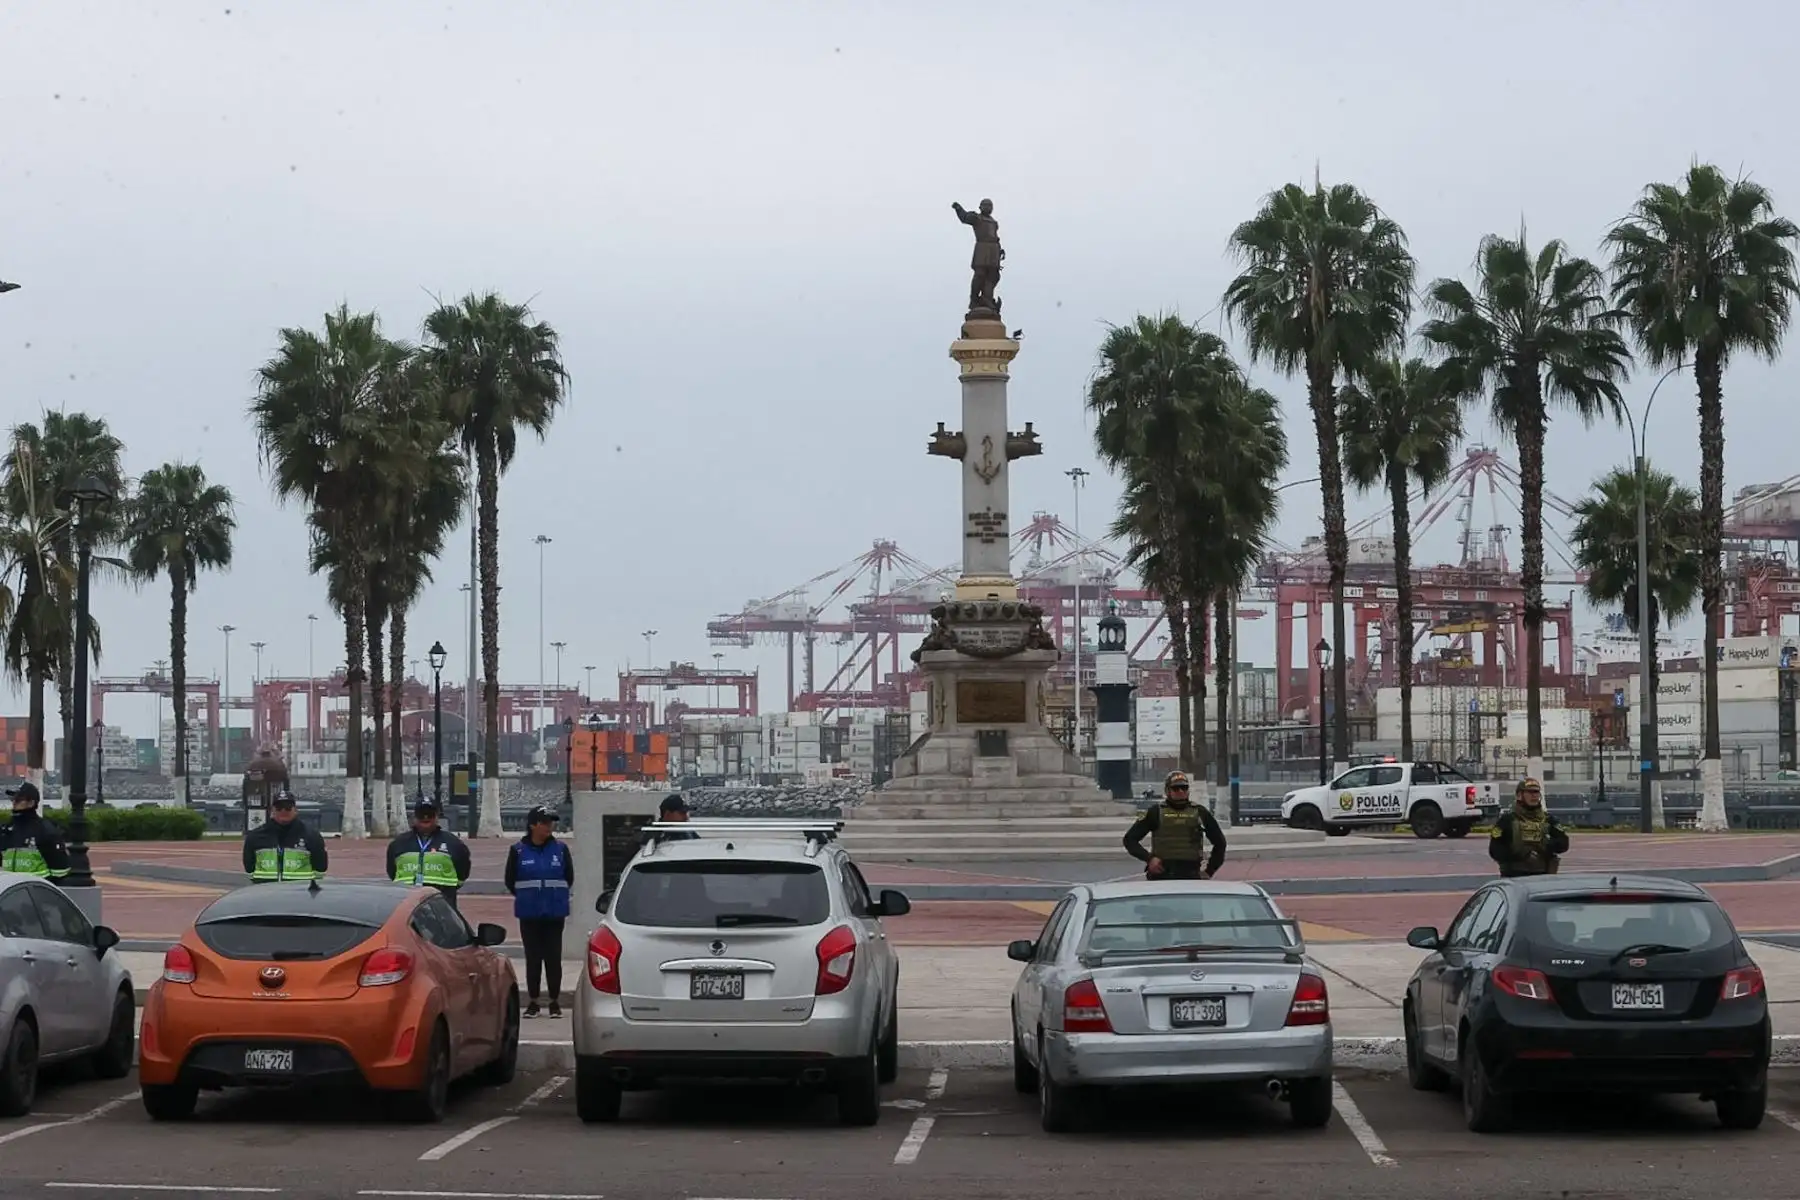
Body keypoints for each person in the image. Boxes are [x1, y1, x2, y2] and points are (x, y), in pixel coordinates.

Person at [504, 805, 573, 1019]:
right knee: (533, 958)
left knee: (553, 959)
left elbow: (568, 878)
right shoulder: (518, 851)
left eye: (551, 822)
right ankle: (533, 1001)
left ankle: (554, 1001)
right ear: (533, 825)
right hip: (529, 913)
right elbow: (510, 880)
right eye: (544, 822)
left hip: (554, 913)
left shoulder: (560, 849)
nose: (549, 826)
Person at [1123, 770, 1227, 881]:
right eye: (1176, 788)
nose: (1181, 791)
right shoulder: (1155, 812)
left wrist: (1209, 871)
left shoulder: (1200, 812)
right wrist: (1149, 859)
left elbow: (1220, 842)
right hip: (1161, 875)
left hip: (1190, 875)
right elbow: (1130, 839)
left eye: (1184, 788)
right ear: (1167, 790)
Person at [385, 797, 473, 906]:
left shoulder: (453, 843)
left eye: (430, 814)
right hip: (406, 906)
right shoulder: (398, 843)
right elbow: (392, 871)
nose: (426, 818)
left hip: (442, 905)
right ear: (414, 817)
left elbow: (463, 871)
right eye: (421, 814)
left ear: (437, 816)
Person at [1489, 777, 1569, 877]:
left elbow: (1563, 843)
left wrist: (1546, 845)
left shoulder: (1549, 819)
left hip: (1543, 875)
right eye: (1530, 792)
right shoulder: (1507, 820)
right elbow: (1495, 848)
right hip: (1514, 875)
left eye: (1536, 792)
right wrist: (1519, 854)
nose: (1534, 796)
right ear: (1519, 795)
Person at [242, 790, 328, 882]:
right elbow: (249, 869)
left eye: (288, 807)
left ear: (295, 810)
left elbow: (320, 869)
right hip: (265, 893)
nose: (283, 811)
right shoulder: (255, 837)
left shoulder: (312, 836)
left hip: (300, 894)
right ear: (272, 811)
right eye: (279, 808)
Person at [0, 783, 69, 883]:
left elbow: (60, 872)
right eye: (13, 799)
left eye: (19, 800)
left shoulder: (45, 830)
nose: (14, 802)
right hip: (12, 893)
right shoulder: (5, 830)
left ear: (31, 803)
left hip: (37, 894)